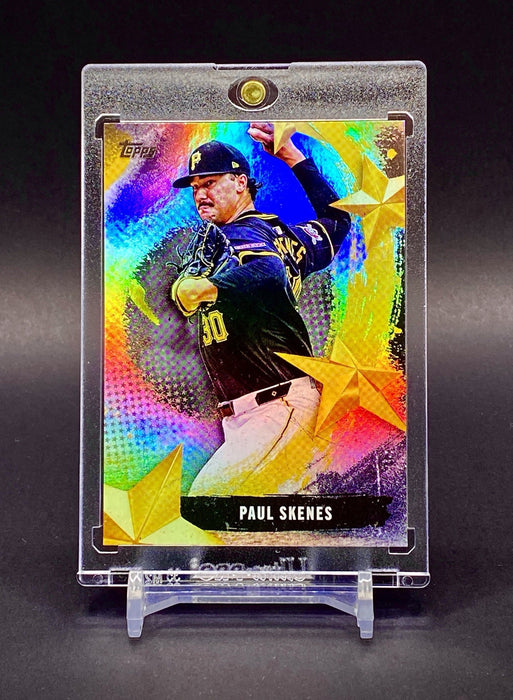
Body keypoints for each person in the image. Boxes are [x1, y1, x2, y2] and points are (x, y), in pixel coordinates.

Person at [171, 122, 351, 496]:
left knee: (207, 503)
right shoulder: (281, 236)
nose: (200, 194)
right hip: (263, 414)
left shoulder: (243, 234)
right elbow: (337, 220)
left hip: (276, 408)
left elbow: (268, 272)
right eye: (196, 186)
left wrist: (209, 287)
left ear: (241, 183)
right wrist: (293, 157)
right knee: (268, 520)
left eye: (210, 182)